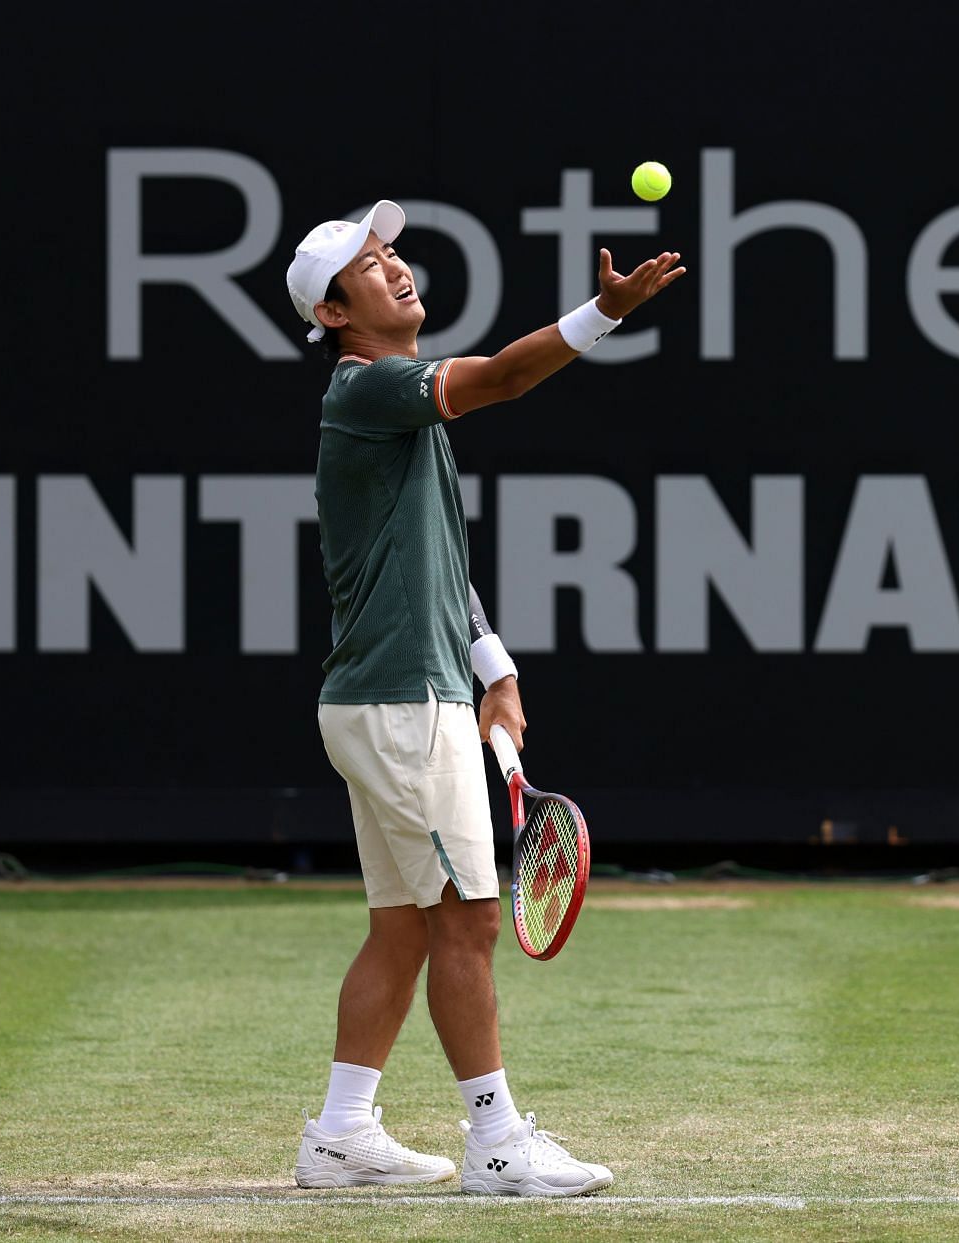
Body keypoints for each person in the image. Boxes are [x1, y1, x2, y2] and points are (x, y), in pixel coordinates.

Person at [280, 199, 684, 1196]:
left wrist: (492, 664)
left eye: (392, 254)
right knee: (464, 920)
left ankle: (339, 1135)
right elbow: (504, 378)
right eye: (369, 268)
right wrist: (604, 317)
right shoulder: (370, 388)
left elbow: (435, 556)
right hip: (402, 708)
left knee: (405, 925)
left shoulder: (395, 404)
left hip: (386, 700)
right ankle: (499, 1145)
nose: (396, 269)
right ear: (334, 313)